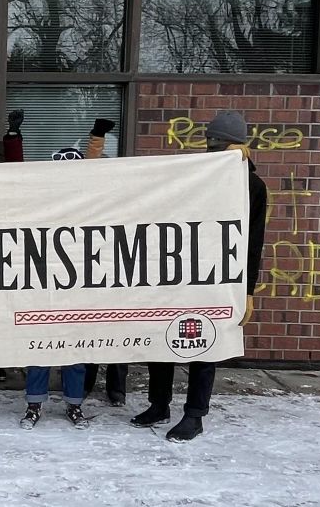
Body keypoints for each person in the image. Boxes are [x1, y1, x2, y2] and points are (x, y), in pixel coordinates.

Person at [130, 110, 268, 441]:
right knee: (162, 337)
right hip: (178, 271)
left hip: (219, 277)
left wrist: (246, 289)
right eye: (211, 142)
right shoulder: (195, 177)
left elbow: (253, 241)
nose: (213, 147)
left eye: (219, 143)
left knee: (204, 345)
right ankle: (159, 403)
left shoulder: (252, 186)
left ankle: (195, 414)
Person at [13, 115, 116, 430]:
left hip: (79, 281)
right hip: (43, 279)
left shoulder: (87, 197)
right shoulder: (39, 196)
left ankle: (74, 406)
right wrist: (13, 136)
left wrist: (95, 137)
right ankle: (34, 405)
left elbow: (94, 172)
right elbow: (9, 177)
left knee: (76, 350)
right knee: (40, 347)